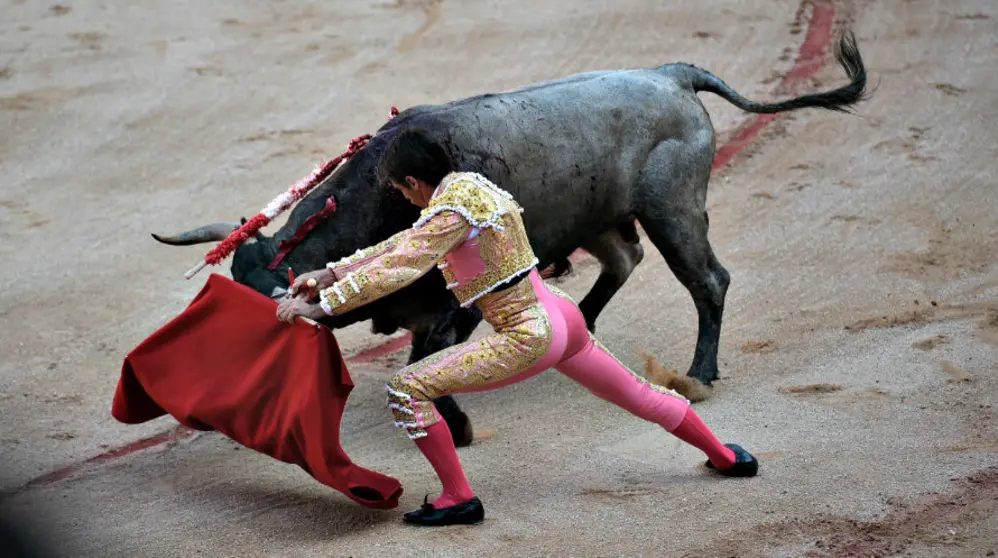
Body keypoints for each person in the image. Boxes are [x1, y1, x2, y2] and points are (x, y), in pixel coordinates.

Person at [276, 128, 759, 527]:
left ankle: (456, 497)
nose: (406, 199)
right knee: (638, 394)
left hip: (528, 334)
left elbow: (403, 265)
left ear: (413, 182)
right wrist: (335, 273)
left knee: (406, 389)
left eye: (403, 190)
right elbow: (409, 244)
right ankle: (724, 456)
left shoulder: (445, 213)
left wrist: (326, 307)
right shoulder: (470, 187)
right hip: (560, 316)